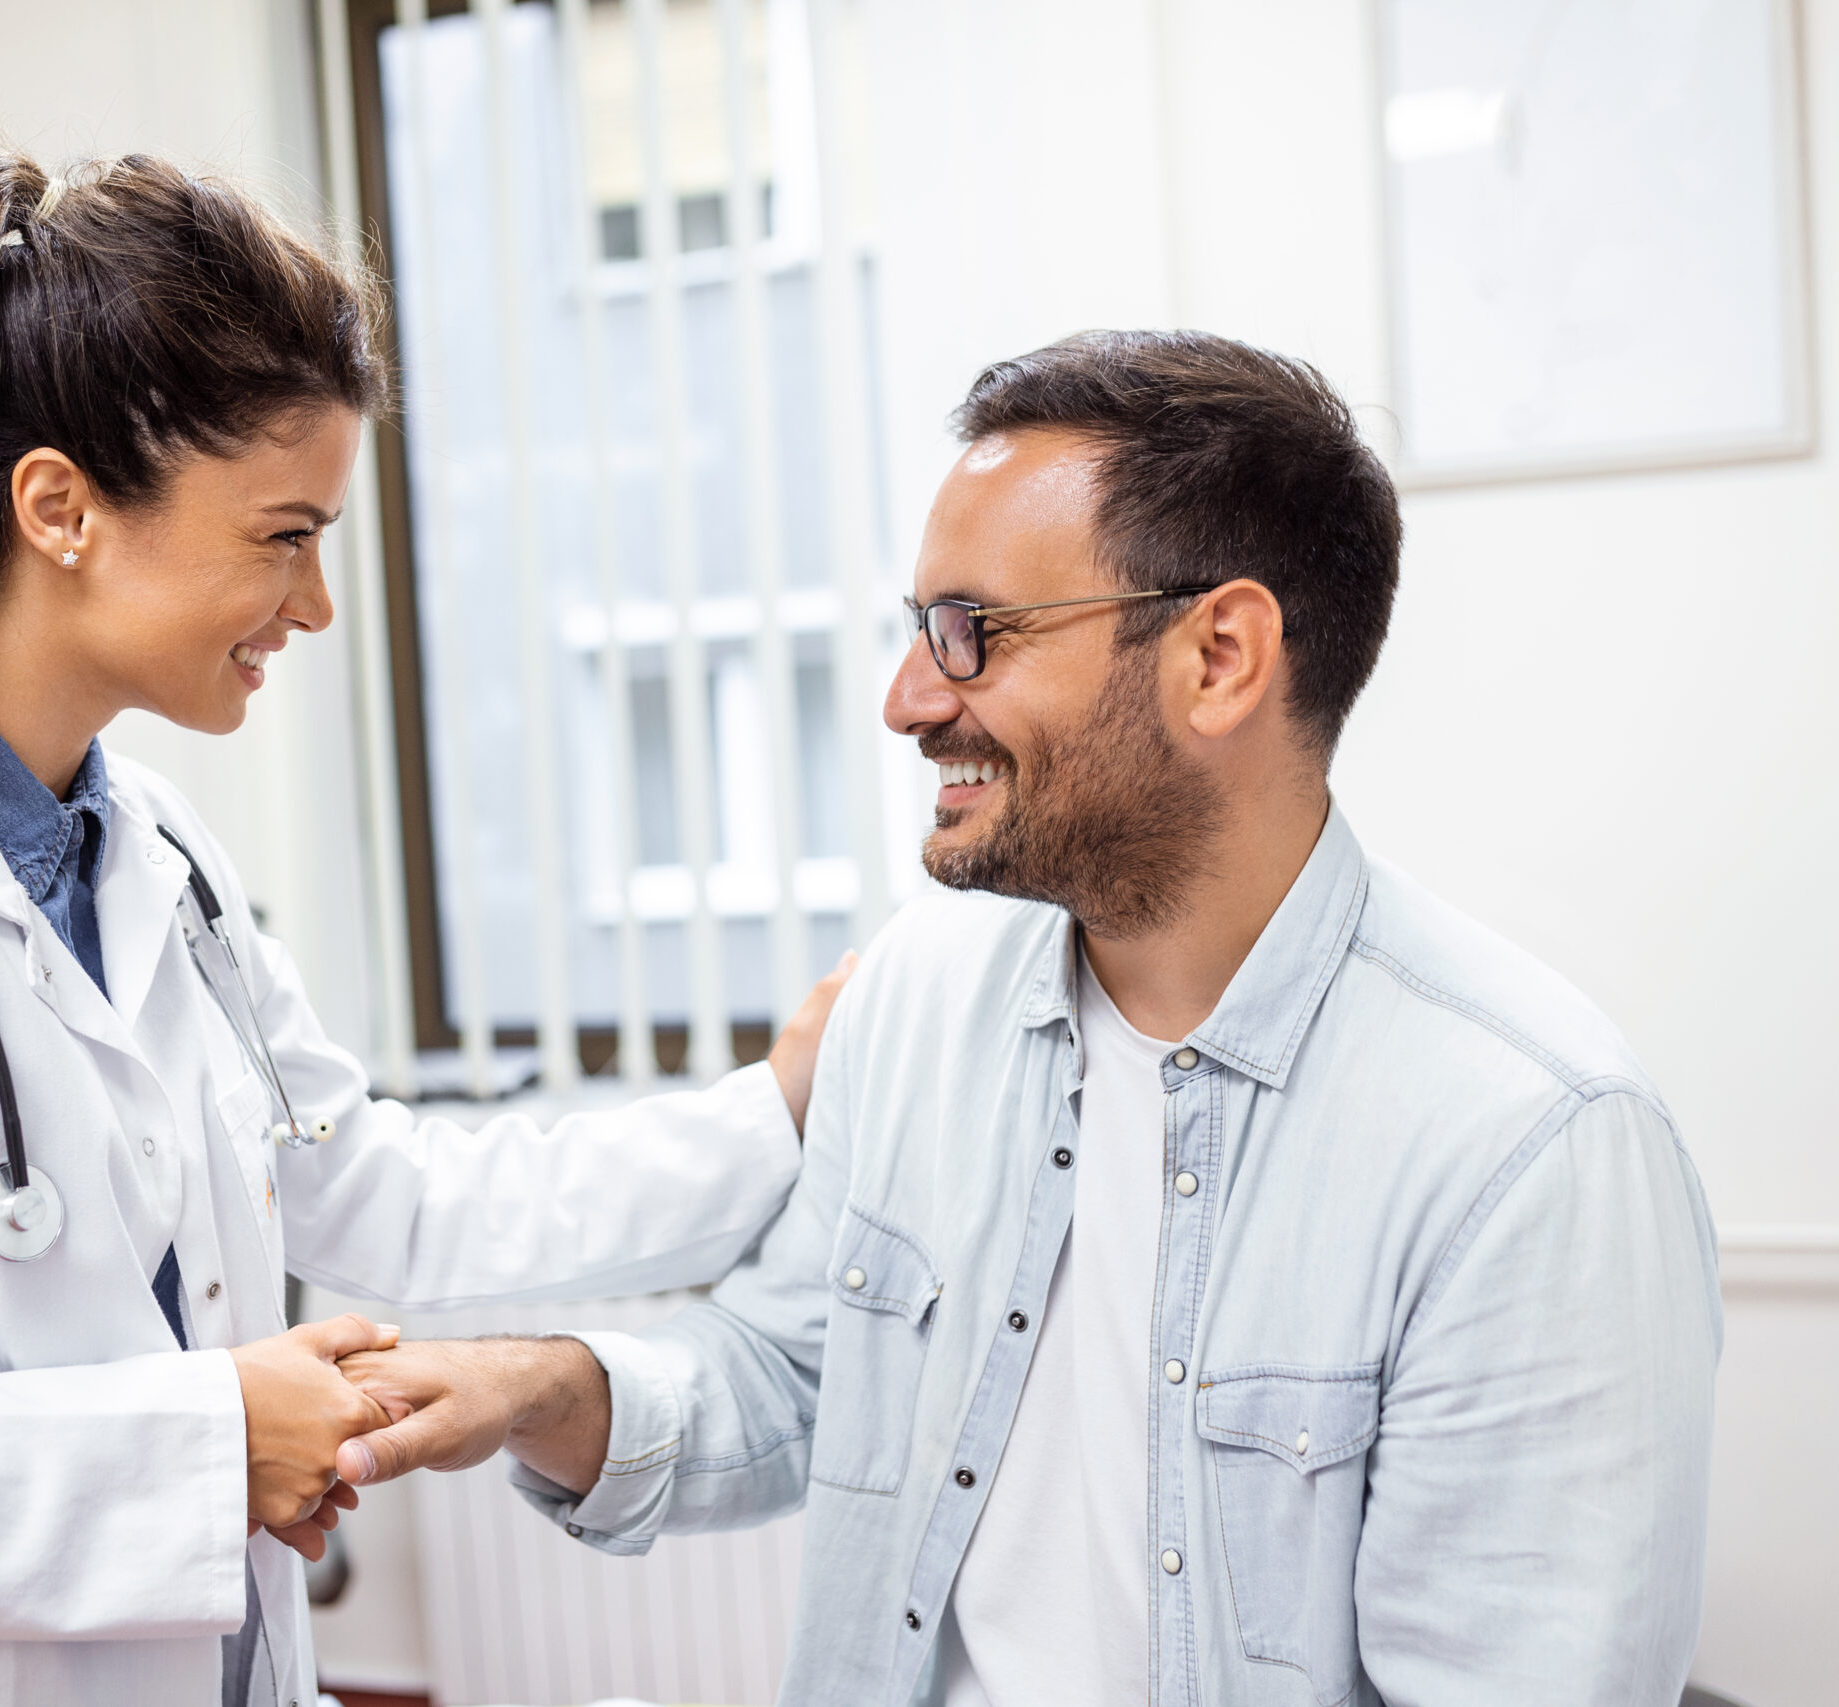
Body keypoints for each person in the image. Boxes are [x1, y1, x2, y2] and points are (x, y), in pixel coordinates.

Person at [0, 152, 849, 1707]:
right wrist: (209, 1443)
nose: (315, 606)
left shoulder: (149, 853)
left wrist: (778, 1112)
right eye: (283, 535)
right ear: (62, 508)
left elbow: (383, 1195)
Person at [331, 332, 1722, 1706]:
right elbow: (789, 1370)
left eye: (972, 633)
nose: (908, 700)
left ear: (1220, 656)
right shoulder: (918, 1002)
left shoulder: (1530, 1149)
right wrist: (531, 1388)